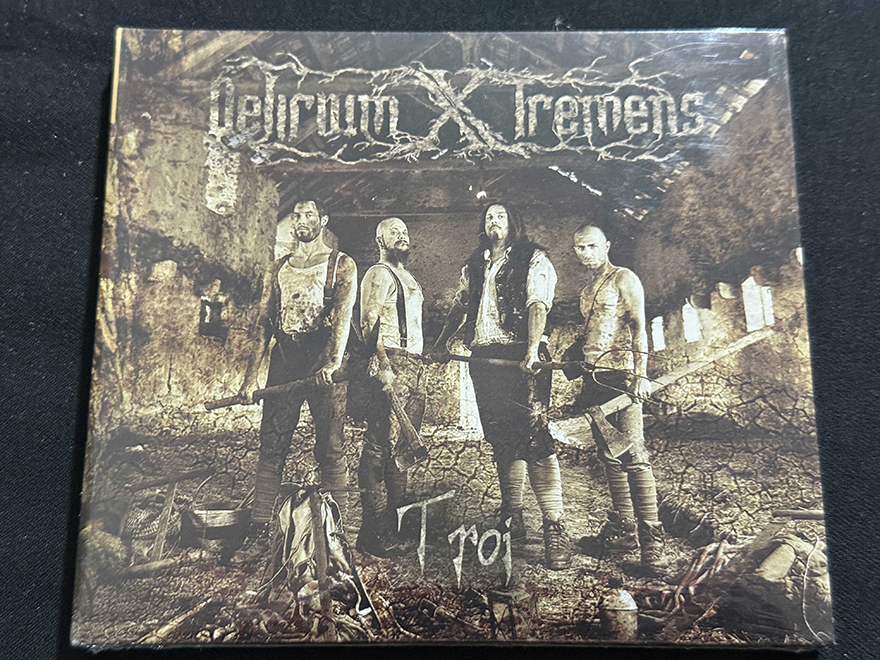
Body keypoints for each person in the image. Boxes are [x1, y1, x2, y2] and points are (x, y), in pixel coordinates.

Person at [430, 202, 572, 570]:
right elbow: (460, 305)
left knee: (536, 440)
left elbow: (537, 304)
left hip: (522, 358)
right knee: (502, 438)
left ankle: (554, 524)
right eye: (489, 216)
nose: (494, 221)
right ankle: (513, 514)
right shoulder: (474, 265)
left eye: (501, 215)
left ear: (513, 222)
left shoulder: (533, 258)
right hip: (485, 358)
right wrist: (441, 343)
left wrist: (532, 349)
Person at [238, 200, 357, 544]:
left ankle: (338, 529)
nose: (302, 221)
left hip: (322, 359)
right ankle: (260, 522)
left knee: (330, 446)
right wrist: (250, 378)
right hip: (286, 358)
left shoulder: (341, 264)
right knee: (272, 442)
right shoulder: (278, 268)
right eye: (297, 216)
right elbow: (264, 323)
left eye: (309, 215)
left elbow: (344, 316)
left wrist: (333, 361)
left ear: (323, 220)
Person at [571, 223, 667, 574]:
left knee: (634, 456)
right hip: (594, 378)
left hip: (622, 376)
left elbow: (639, 326)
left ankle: (653, 544)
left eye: (592, 246)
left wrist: (641, 375)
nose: (586, 253)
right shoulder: (586, 291)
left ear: (607, 245)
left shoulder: (624, 278)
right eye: (580, 248)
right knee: (609, 456)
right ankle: (623, 532)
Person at [356, 217, 427, 557]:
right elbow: (368, 322)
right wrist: (382, 365)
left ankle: (396, 525)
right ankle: (371, 531)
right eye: (394, 231)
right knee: (378, 447)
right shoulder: (378, 273)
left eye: (405, 232)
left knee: (403, 449)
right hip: (391, 363)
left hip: (413, 365)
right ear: (380, 239)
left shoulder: (408, 276)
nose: (402, 235)